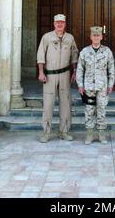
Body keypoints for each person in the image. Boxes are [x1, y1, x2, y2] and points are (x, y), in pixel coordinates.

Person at [37, 14, 78, 142]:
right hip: (50, 75)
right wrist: (41, 72)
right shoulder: (47, 37)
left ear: (65, 24)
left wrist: (75, 71)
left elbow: (74, 55)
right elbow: (40, 55)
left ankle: (63, 131)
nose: (59, 25)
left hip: (65, 74)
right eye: (57, 22)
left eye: (62, 22)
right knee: (48, 104)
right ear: (54, 24)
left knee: (65, 103)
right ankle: (46, 133)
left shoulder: (69, 38)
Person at [76, 26, 115, 145]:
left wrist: (110, 84)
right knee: (89, 110)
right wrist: (80, 85)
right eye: (94, 35)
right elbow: (79, 69)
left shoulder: (107, 51)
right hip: (88, 87)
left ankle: (101, 134)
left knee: (102, 109)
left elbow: (111, 69)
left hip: (102, 86)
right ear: (90, 37)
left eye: (98, 35)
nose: (96, 37)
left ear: (101, 37)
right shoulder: (85, 51)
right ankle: (89, 134)